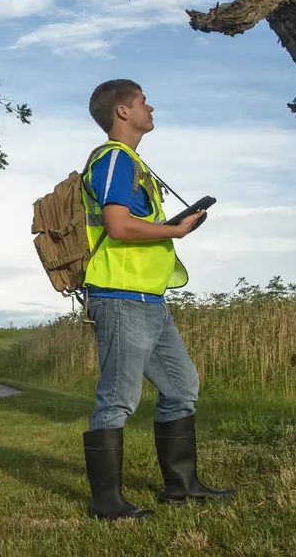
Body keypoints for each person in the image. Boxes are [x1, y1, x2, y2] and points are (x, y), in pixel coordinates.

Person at [77, 79, 236, 520]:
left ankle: (181, 486)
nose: (151, 107)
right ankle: (106, 503)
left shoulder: (133, 163)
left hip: (149, 300)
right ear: (123, 112)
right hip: (121, 297)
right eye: (144, 102)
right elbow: (118, 227)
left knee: (182, 387)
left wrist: (173, 226)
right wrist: (176, 230)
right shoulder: (113, 159)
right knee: (117, 399)